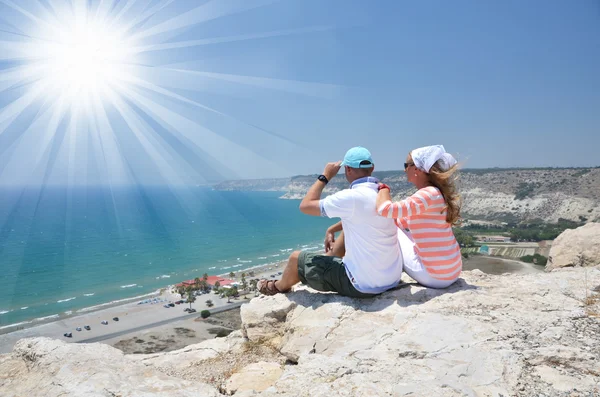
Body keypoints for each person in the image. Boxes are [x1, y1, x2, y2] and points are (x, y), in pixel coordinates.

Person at [257, 147, 403, 297]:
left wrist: (325, 176)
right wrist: (332, 229)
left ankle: (278, 287)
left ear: (347, 169)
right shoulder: (381, 193)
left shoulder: (351, 197)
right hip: (391, 279)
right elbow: (363, 217)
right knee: (348, 230)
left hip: (363, 285)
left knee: (296, 258)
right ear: (372, 168)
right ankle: (328, 261)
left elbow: (306, 206)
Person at [376, 145, 462, 288]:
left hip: (434, 276)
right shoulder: (435, 194)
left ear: (417, 169)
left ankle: (379, 272)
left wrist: (383, 189)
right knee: (395, 226)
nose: (404, 170)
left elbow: (385, 210)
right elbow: (402, 222)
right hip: (451, 272)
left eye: (406, 165)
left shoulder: (427, 194)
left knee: (391, 229)